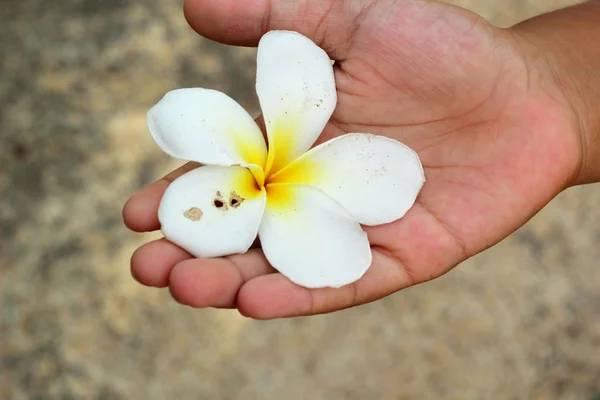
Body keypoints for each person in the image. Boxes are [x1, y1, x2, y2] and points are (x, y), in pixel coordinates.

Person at [122, 0, 600, 319]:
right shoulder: (235, 128)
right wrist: (556, 84)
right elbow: (184, 118)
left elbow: (384, 181)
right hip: (251, 183)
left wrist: (560, 93)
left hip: (281, 178)